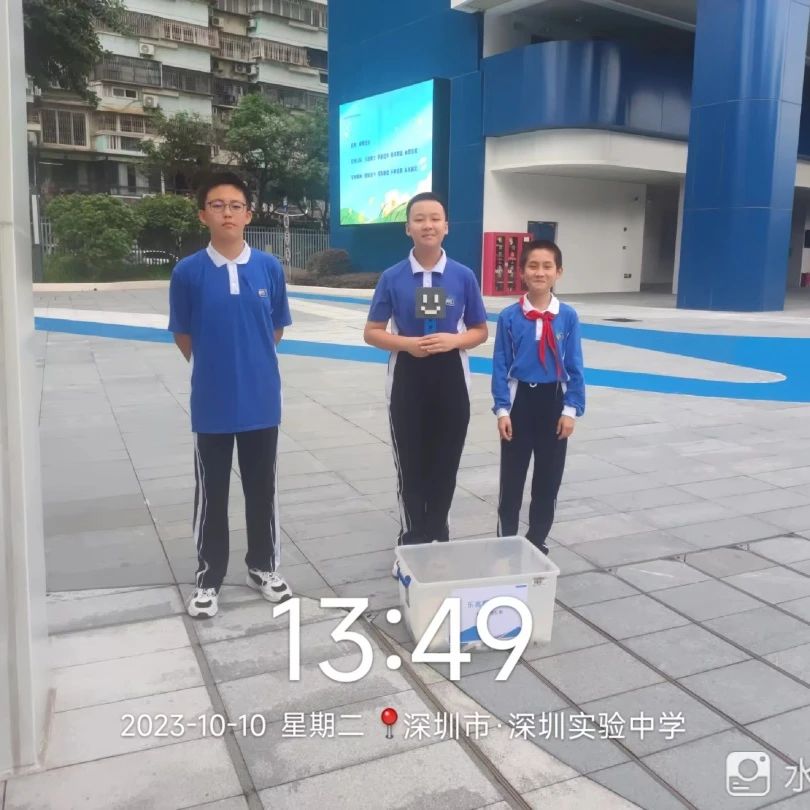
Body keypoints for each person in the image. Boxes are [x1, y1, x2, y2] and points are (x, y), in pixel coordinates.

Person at [168, 171, 293, 618]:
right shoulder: (188, 272)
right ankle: (208, 577)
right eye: (217, 205)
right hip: (212, 402)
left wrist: (251, 362)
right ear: (203, 215)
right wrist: (216, 367)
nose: (227, 213)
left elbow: (275, 328)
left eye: (235, 206)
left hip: (262, 400)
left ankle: (263, 566)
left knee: (262, 489)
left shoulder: (268, 268)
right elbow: (183, 334)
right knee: (212, 494)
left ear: (248, 215)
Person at [363, 192, 489, 574]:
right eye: (419, 219)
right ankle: (412, 539)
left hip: (450, 375)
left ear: (446, 226)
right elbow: (372, 331)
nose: (428, 225)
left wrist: (454, 340)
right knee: (411, 462)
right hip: (408, 375)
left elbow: (480, 330)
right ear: (408, 228)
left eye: (435, 218)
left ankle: (437, 533)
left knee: (445, 461)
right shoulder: (393, 277)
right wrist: (406, 344)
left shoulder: (463, 276)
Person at [491, 239, 585, 555]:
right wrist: (502, 410)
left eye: (547, 266)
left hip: (553, 402)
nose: (540, 272)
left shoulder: (567, 316)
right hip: (520, 403)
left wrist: (570, 410)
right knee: (512, 479)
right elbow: (501, 364)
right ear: (522, 272)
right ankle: (506, 542)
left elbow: (574, 365)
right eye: (533, 266)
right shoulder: (509, 317)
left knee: (548, 478)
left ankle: (536, 541)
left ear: (558, 272)